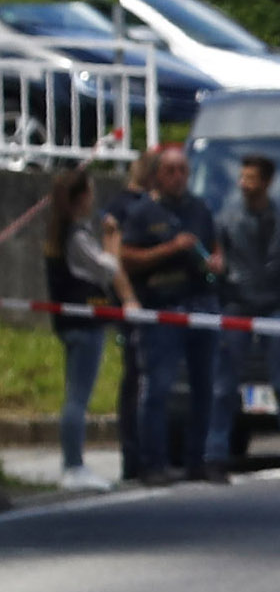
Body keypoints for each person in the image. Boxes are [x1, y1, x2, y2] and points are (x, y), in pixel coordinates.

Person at [114, 141, 222, 486]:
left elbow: (216, 246)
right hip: (162, 308)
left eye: (182, 171)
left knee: (205, 386)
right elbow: (126, 258)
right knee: (157, 387)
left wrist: (217, 262)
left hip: (201, 305)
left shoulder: (199, 209)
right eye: (170, 171)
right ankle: (154, 463)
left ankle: (197, 460)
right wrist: (168, 250)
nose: (177, 177)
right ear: (157, 175)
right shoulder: (144, 213)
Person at [209, 152, 280, 480]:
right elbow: (217, 267)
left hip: (272, 308)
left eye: (252, 178)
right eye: (243, 178)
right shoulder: (226, 222)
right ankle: (215, 453)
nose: (245, 184)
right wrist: (220, 286)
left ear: (267, 182)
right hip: (237, 308)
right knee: (224, 387)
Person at [40, 166, 118, 493]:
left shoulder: (60, 233)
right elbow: (106, 268)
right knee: (78, 398)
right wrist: (112, 241)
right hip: (84, 324)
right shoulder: (77, 236)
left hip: (69, 323)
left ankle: (73, 463)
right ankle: (73, 465)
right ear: (81, 196)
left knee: (75, 395)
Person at [110, 149, 154, 482]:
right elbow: (115, 261)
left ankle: (150, 453)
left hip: (159, 304)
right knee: (135, 381)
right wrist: (128, 298)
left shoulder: (161, 206)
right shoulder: (122, 208)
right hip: (137, 306)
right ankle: (133, 456)